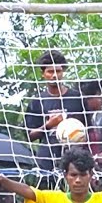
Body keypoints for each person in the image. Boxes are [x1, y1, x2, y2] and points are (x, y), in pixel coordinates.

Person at [24, 49, 87, 177]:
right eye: (50, 71)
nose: (54, 75)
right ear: (43, 74)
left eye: (58, 71)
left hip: (74, 158)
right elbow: (29, 135)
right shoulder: (37, 102)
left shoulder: (77, 98)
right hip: (47, 159)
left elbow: (88, 129)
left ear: (63, 72)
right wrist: (48, 125)